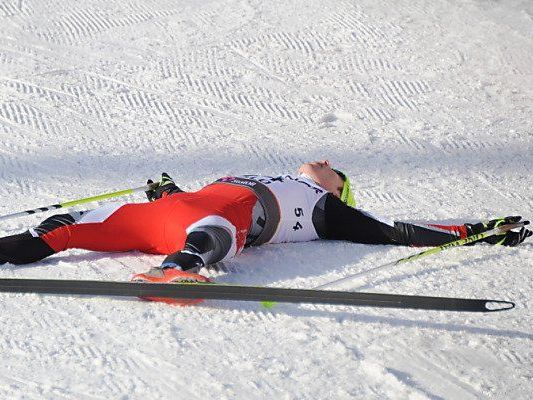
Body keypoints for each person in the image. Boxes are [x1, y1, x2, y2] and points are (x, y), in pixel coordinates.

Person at [0, 160, 530, 304]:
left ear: (338, 190)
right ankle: (14, 248)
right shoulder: (278, 172)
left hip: (220, 220)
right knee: (70, 231)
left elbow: (398, 232)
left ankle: (178, 270)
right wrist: (166, 191)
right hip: (172, 214)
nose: (324, 163)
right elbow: (189, 201)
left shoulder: (327, 208)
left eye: (336, 170)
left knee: (222, 219)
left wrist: (480, 231)